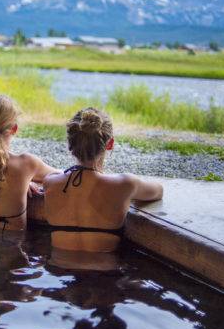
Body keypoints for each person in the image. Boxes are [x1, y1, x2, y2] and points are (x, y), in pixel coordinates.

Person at [43, 107, 163, 254]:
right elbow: (158, 191)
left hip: (58, 270)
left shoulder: (50, 183)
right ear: (110, 144)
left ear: (70, 144)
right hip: (104, 274)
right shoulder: (126, 185)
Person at [0, 94, 59, 232]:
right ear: (14, 128)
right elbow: (63, 176)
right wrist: (26, 180)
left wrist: (25, 181)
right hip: (13, 246)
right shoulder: (26, 164)